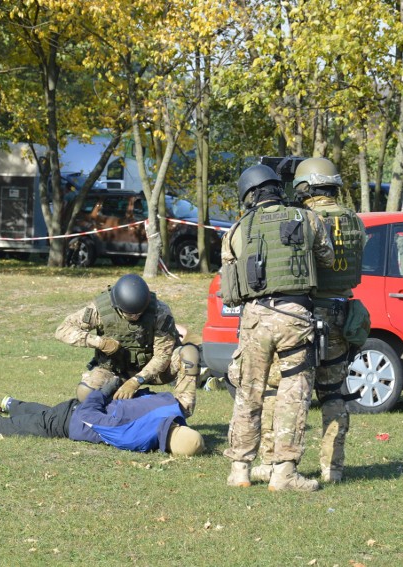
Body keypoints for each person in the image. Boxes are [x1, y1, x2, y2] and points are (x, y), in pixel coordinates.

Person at [249, 157, 370, 485]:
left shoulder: (303, 219)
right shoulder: (355, 220)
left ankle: (274, 463)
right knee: (333, 394)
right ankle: (334, 467)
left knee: (282, 389)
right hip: (340, 313)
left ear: (304, 187)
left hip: (302, 314)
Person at [219, 164, 335, 492]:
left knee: (248, 394)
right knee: (293, 394)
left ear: (248, 195)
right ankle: (284, 472)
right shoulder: (308, 220)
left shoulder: (236, 231)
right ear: (276, 188)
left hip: (255, 319)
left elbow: (230, 284)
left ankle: (239, 469)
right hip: (295, 316)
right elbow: (326, 260)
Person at [55, 274, 200, 417]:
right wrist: (100, 342)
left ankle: (180, 412)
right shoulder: (101, 309)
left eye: (139, 313)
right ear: (117, 306)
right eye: (131, 314)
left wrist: (137, 381)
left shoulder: (159, 311)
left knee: (189, 354)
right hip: (115, 370)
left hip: (153, 371)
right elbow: (63, 330)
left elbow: (163, 356)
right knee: (85, 393)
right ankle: (116, 414)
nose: (136, 317)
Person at [0, 389, 204, 456]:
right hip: (71, 418)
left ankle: (11, 403)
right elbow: (89, 419)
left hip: (66, 413)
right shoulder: (134, 437)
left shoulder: (170, 406)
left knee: (40, 416)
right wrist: (101, 392)